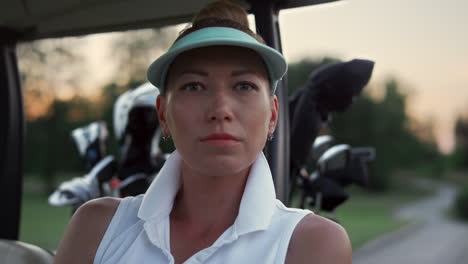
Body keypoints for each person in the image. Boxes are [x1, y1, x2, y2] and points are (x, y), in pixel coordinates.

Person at [53, 1, 352, 263]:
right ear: (163, 114)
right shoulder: (97, 226)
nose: (220, 109)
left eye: (244, 86)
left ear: (272, 114)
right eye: (193, 86)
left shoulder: (312, 244)